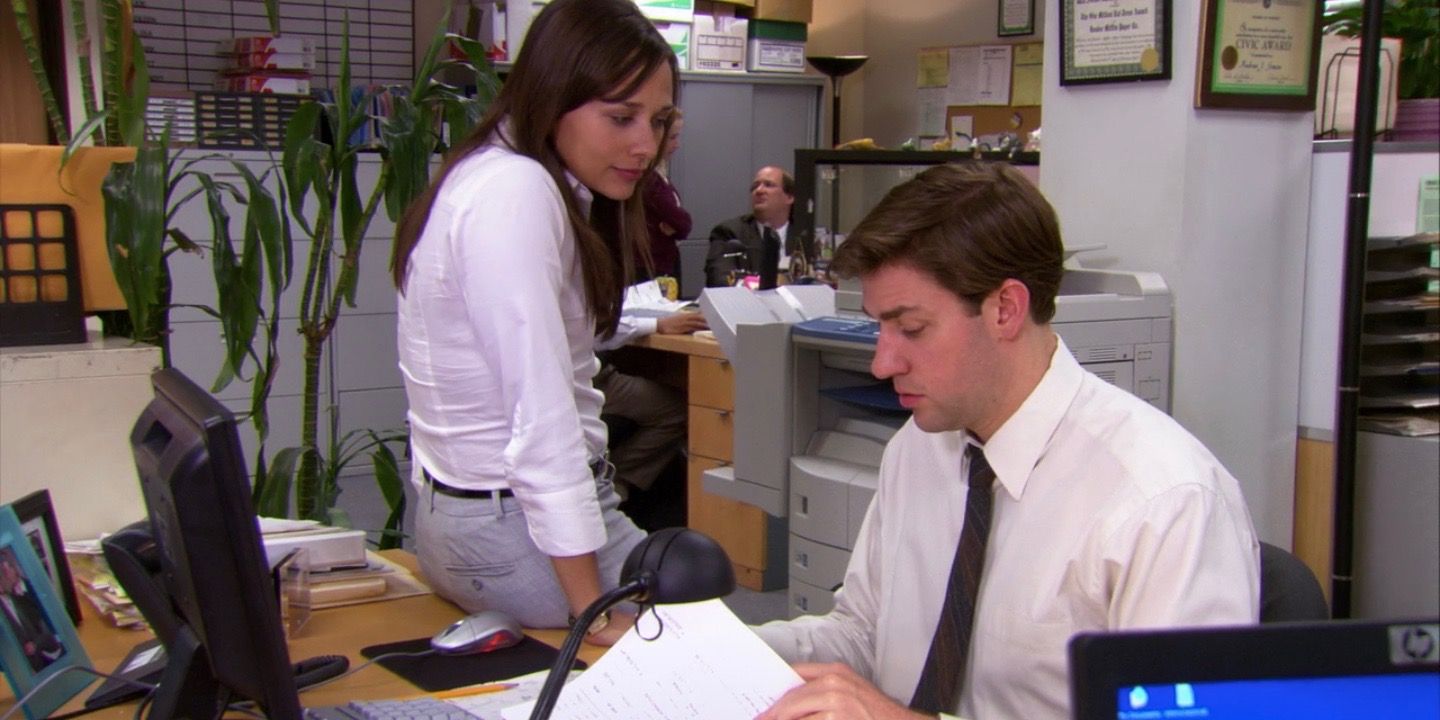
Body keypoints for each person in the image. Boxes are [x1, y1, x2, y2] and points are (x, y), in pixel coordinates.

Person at [754, 162, 1260, 720]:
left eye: (912, 328)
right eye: (879, 327)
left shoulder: (1164, 502)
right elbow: (863, 636)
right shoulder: (919, 449)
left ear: (1005, 309)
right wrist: (720, 648)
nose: (881, 363)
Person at [389, 0, 678, 646]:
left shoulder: (488, 174)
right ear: (554, 95)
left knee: (693, 590)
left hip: (464, 523)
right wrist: (592, 614)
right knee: (707, 631)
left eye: (657, 121)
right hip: (512, 532)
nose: (645, 145)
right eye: (620, 117)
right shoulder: (516, 194)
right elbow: (542, 421)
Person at [703, 165, 808, 286]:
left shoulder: (805, 234)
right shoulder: (728, 232)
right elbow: (719, 279)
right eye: (754, 187)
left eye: (768, 185)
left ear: (789, 197)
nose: (759, 190)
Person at [636, 109, 691, 279]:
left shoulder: (659, 172)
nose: (677, 145)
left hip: (661, 263)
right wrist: (677, 224)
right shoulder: (648, 178)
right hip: (649, 268)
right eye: (672, 138)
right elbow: (682, 223)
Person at [0, 549, 64, 672]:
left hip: (52, 654)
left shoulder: (34, 589)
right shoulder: (12, 600)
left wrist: (36, 644)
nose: (6, 575)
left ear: (15, 568)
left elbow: (51, 628)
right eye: (3, 572)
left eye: (7, 569)